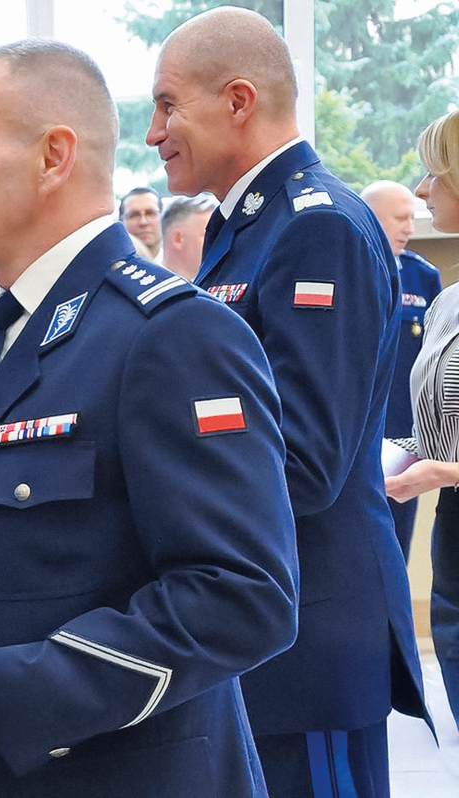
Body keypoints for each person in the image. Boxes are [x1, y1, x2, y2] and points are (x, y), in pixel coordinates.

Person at [0, 39, 299, 797]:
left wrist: (1, 692)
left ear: (53, 157)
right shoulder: (3, 339)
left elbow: (242, 597)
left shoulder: (169, 334)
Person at [147, 8, 428, 796]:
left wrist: (150, 495)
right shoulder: (247, 225)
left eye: (168, 106)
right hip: (262, 623)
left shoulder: (317, 227)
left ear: (238, 101)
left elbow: (304, 461)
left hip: (311, 632)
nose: (154, 133)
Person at [385, 109, 459, 732]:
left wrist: (448, 471)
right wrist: (397, 453)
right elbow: (438, 427)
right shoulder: (447, 301)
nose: (420, 189)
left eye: (434, 173)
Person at [363, 179, 442, 560]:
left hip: (402, 437)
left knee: (395, 548)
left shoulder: (422, 276)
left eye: (413, 218)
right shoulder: (348, 268)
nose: (409, 229)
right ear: (370, 217)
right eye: (399, 218)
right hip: (355, 435)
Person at [159, 193, 217, 281]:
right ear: (178, 238)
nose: (217, 242)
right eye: (208, 235)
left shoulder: (216, 281)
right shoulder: (145, 284)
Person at [118, 186, 163, 261]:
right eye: (134, 215)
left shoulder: (180, 264)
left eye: (151, 213)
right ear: (121, 222)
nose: (143, 222)